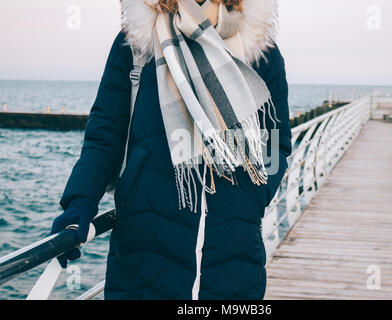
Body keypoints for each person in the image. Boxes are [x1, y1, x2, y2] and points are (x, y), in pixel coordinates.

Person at [51, 0, 292, 300]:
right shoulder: (137, 43)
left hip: (233, 265)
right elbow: (105, 136)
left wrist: (249, 201)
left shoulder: (260, 50)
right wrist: (81, 203)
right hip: (144, 261)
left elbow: (276, 144)